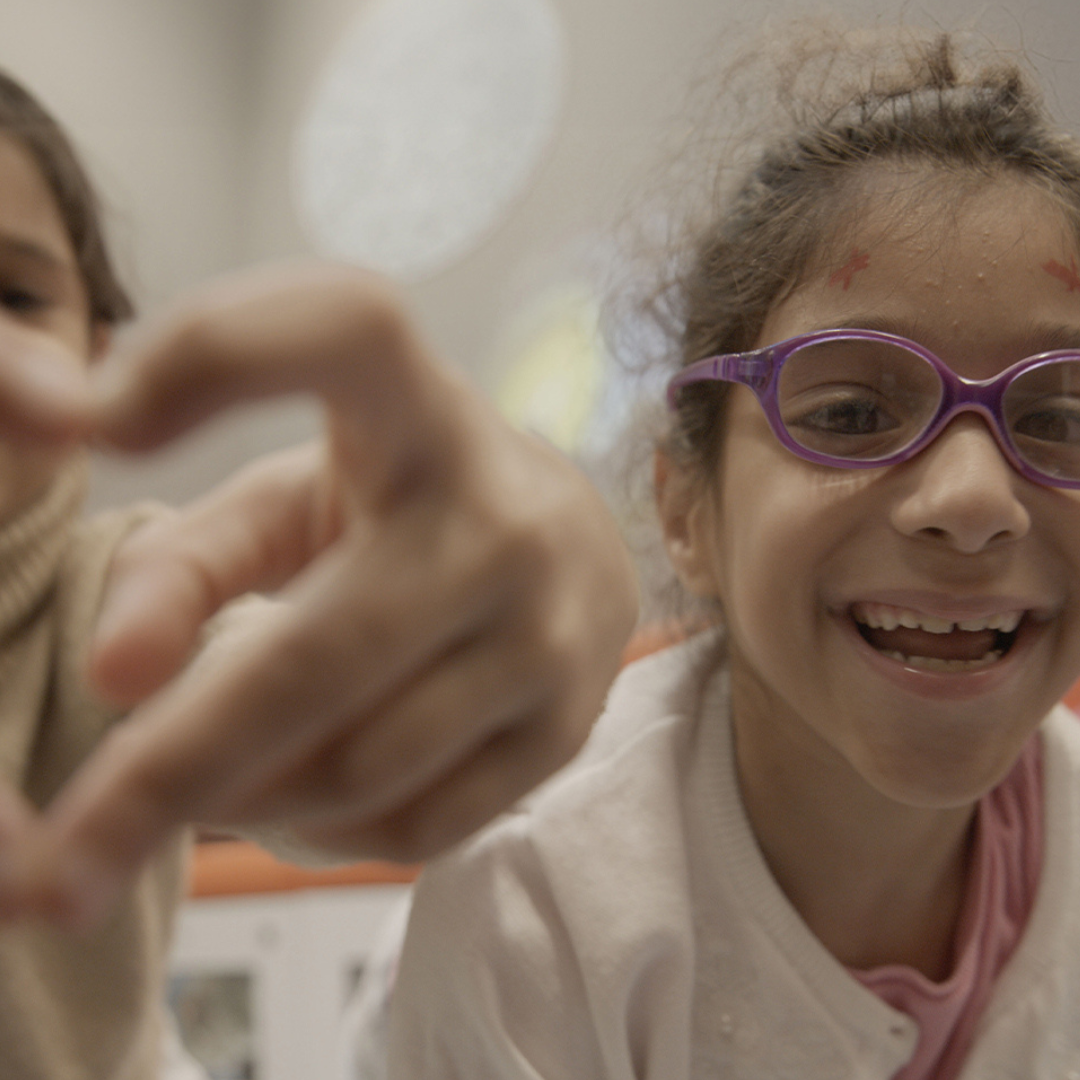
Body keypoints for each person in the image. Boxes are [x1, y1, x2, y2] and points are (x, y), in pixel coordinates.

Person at [386, 24, 1080, 1080]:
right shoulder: (535, 896)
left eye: (1060, 418)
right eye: (850, 413)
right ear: (686, 514)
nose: (977, 501)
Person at [0, 68, 638, 1078]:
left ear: (96, 348)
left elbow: (267, 693)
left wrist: (487, 604)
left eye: (13, 294)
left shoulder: (120, 589)